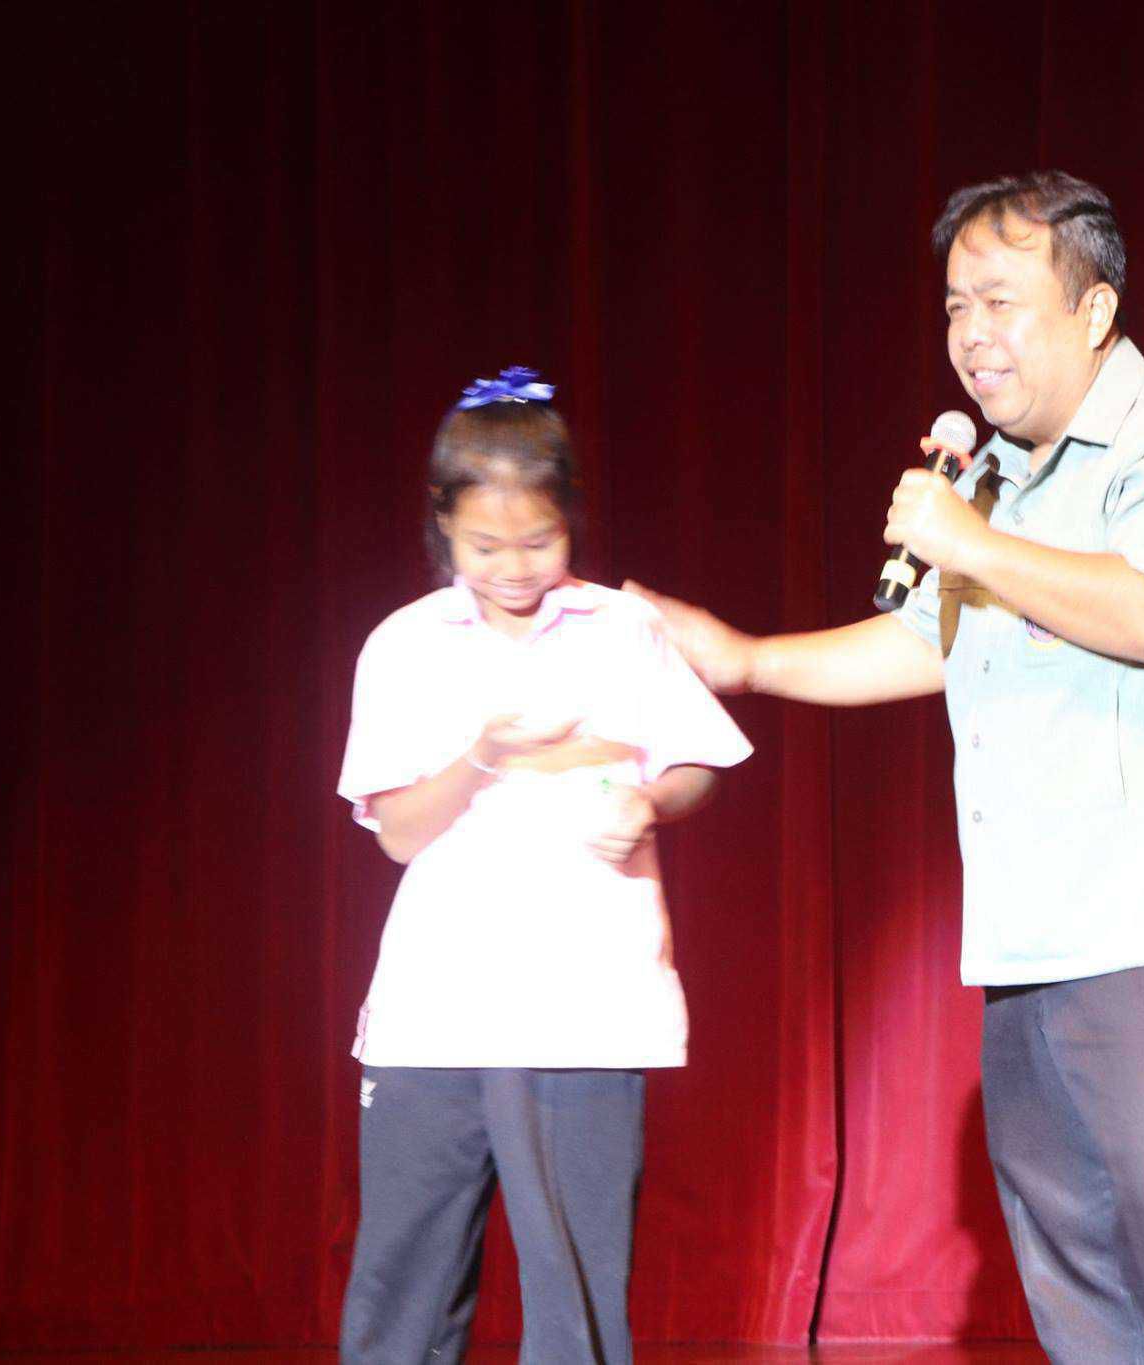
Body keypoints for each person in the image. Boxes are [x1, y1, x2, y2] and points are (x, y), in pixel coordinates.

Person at [630, 173, 1144, 1364]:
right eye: (955, 306)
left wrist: (969, 542)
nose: (970, 334)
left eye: (1000, 301)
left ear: (1093, 310)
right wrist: (743, 659)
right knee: (1069, 1243)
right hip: (1028, 928)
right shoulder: (999, 477)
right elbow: (928, 642)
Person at [335, 368, 752, 1364]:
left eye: (538, 541)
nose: (514, 568)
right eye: (485, 547)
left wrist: (650, 799)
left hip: (584, 1005)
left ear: (570, 518)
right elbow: (397, 833)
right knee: (403, 1295)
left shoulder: (623, 629)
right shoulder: (403, 645)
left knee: (575, 1299)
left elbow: (699, 763)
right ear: (443, 525)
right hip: (435, 1010)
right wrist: (483, 754)